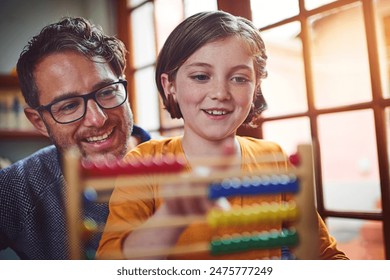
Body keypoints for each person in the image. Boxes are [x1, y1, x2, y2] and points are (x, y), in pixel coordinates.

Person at [96, 11, 348, 260]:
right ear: (169, 85)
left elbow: (324, 255)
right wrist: (170, 219)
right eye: (201, 76)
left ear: (255, 87)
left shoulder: (274, 158)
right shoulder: (142, 163)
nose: (220, 93)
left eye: (239, 78)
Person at [0, 16, 151, 260]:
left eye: (106, 92)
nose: (97, 118)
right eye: (69, 106)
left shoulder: (185, 164)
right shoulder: (15, 189)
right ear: (39, 122)